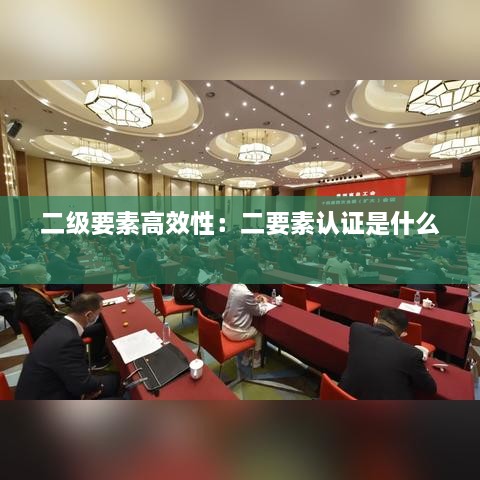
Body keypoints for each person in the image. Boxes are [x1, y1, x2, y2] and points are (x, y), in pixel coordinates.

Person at [15, 292, 119, 400]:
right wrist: (95, 388)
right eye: (99, 313)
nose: (98, 316)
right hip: (49, 397)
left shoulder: (60, 326)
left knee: (113, 380)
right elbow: (82, 385)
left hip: (45, 386)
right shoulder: (70, 342)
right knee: (117, 392)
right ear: (89, 315)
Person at [15, 264, 108, 366]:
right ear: (37, 278)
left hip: (59, 324)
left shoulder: (30, 291)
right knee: (100, 328)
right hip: (54, 339)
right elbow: (49, 330)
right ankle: (94, 360)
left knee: (97, 317)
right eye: (45, 273)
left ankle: (97, 349)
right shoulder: (32, 303)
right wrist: (76, 323)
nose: (48, 275)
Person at [339, 308, 437, 400]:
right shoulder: (411, 354)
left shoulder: (356, 329)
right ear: (403, 334)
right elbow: (430, 388)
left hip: (342, 397)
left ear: (375, 320)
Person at [221, 270, 269, 368]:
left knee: (251, 327)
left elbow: (241, 303)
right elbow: (259, 312)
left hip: (225, 327)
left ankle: (247, 356)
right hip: (235, 333)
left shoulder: (235, 286)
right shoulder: (247, 294)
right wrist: (265, 302)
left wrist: (254, 301)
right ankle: (256, 357)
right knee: (259, 330)